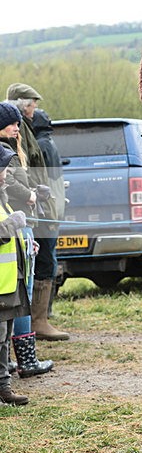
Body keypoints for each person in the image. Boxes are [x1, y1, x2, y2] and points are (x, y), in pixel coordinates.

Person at [6, 83, 69, 340]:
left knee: (40, 264)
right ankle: (33, 326)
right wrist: (31, 194)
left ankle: (37, 322)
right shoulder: (20, 138)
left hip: (34, 209)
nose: (35, 108)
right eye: (32, 103)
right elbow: (13, 176)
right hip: (22, 212)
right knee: (36, 265)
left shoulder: (28, 134)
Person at [0, 102, 53, 377]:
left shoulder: (10, 148)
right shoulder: (4, 152)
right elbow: (9, 184)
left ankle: (11, 361)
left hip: (20, 226)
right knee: (22, 296)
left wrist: (33, 190)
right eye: (12, 123)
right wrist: (30, 195)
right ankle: (27, 361)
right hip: (16, 228)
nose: (17, 128)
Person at [0, 143, 31, 406]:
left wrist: (25, 243)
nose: (4, 173)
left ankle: (4, 389)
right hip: (2, 284)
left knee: (3, 339)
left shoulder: (3, 198)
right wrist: (11, 225)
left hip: (9, 283)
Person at [32, 108, 67, 316]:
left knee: (46, 259)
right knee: (50, 256)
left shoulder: (41, 145)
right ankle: (46, 310)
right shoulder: (49, 143)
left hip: (49, 211)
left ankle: (44, 311)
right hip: (56, 209)